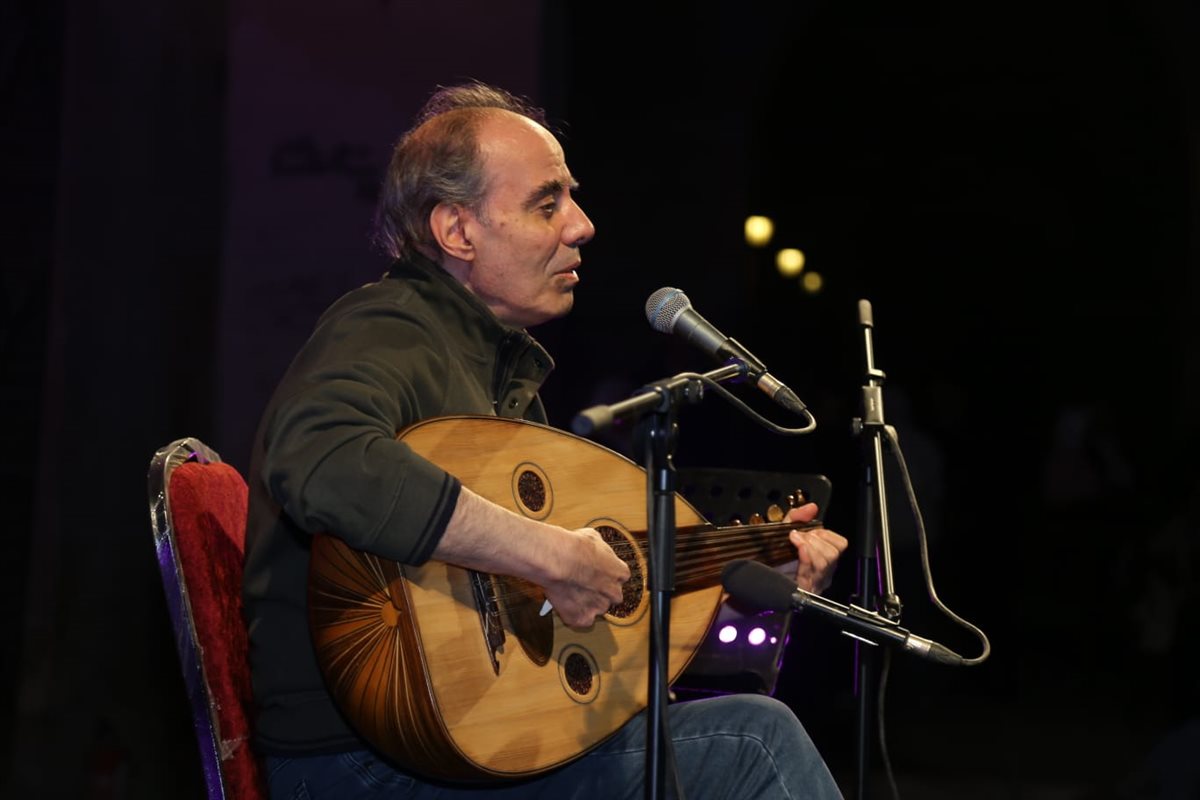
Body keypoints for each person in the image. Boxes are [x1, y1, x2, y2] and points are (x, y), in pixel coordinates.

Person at [243, 81, 848, 799]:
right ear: (458, 231)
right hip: (359, 763)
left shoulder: (503, 378)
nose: (582, 226)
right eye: (547, 203)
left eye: (572, 200)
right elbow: (318, 456)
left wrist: (742, 593)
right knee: (754, 742)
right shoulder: (389, 327)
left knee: (719, 727)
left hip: (455, 749)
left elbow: (560, 625)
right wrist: (546, 551)